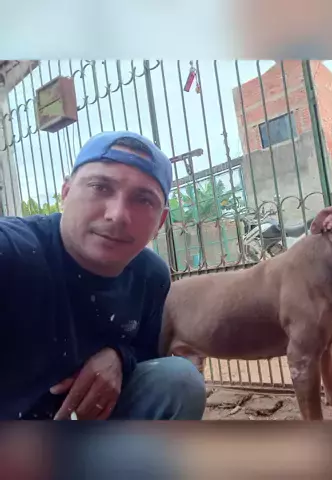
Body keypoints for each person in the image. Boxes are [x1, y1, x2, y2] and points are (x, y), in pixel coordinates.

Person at [0, 131, 206, 420]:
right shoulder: (14, 252)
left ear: (160, 221)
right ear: (66, 193)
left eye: (143, 199)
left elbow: (144, 353)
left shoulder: (150, 276)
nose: (118, 214)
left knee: (177, 380)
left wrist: (119, 356)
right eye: (99, 187)